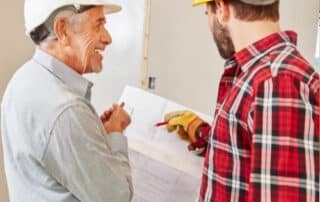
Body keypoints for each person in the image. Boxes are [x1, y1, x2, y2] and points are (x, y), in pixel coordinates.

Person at [164, 0, 320, 201]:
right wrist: (200, 131)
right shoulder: (259, 75)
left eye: (207, 14)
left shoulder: (276, 82)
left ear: (221, 9)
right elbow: (251, 155)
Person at [1, 0, 133, 201]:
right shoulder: (67, 110)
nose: (108, 38)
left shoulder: (23, 79)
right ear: (62, 30)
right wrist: (115, 132)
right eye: (98, 25)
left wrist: (93, 135)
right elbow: (117, 197)